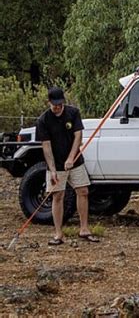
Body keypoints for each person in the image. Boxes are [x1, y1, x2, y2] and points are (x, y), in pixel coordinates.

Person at [36, 87, 99, 245]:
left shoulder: (73, 113)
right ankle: (58, 234)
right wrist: (52, 169)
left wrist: (71, 158)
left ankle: (84, 229)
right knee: (58, 195)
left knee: (83, 191)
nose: (58, 106)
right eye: (54, 104)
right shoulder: (43, 120)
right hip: (56, 164)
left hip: (75, 160)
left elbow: (78, 136)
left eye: (60, 103)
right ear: (49, 102)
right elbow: (46, 146)